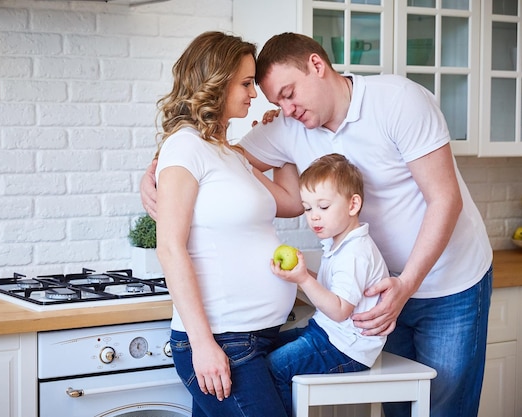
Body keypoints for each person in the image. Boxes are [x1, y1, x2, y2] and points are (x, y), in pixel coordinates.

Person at [142, 32, 493, 417]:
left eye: (289, 93)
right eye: (275, 99)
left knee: (444, 406)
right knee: (400, 409)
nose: (285, 108)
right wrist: (153, 173)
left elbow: (445, 199)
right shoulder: (283, 127)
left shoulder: (398, 101)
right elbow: (206, 160)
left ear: (316, 65)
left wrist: (405, 285)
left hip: (447, 281)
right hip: (372, 292)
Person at [154, 31, 303, 417]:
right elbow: (170, 247)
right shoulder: (184, 146)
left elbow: (290, 202)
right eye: (246, 82)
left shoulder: (229, 153)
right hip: (223, 341)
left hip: (256, 337)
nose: (255, 94)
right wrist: (203, 344)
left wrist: (282, 135)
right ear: (215, 81)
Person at [268, 153, 389, 416]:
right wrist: (301, 275)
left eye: (323, 207)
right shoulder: (339, 244)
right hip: (326, 334)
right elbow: (329, 291)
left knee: (275, 367)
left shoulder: (355, 253)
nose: (313, 217)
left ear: (353, 204)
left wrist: (302, 279)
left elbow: (339, 310)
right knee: (264, 345)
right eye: (308, 208)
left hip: (346, 348)